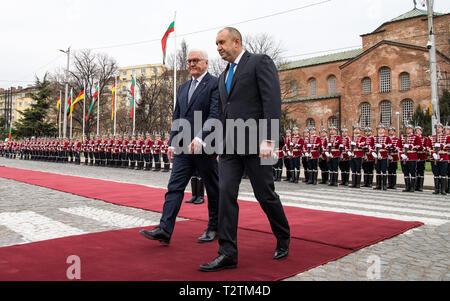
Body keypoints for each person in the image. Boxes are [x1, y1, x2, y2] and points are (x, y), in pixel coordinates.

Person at [199, 27, 290, 272]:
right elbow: (223, 113)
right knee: (225, 193)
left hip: (257, 143)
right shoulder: (222, 76)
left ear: (236, 41)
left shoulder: (259, 62)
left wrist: (270, 139)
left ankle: (283, 235)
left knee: (265, 195)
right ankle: (227, 252)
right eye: (216, 43)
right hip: (230, 147)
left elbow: (272, 100)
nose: (218, 47)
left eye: (221, 42)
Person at [140, 49, 220, 246]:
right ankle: (165, 229)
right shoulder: (183, 87)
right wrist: (172, 143)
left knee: (212, 188)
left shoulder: (215, 84)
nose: (191, 64)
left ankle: (214, 227)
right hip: (183, 147)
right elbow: (177, 116)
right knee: (174, 187)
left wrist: (201, 138)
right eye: (189, 61)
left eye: (195, 60)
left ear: (206, 63)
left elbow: (215, 114)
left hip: (206, 146)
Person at [399, 124, 422, 193]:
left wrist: (411, 146)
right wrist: (401, 154)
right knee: (405, 172)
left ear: (412, 130)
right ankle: (407, 187)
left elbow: (420, 146)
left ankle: (412, 187)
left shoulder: (416, 137)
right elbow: (398, 146)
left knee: (412, 172)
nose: (408, 130)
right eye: (407, 128)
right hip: (404, 156)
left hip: (412, 156)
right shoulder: (402, 137)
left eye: (409, 128)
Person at [428, 123, 449, 195]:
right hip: (434, 157)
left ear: (442, 129)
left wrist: (441, 145)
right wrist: (433, 153)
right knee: (436, 173)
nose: (438, 129)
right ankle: (436, 189)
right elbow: (428, 146)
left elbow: (449, 145)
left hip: (443, 156)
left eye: (439, 127)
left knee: (443, 173)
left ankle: (443, 189)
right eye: (436, 128)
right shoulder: (431, 137)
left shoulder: (446, 137)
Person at [372, 124, 392, 191]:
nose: (380, 130)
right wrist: (373, 152)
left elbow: (390, 145)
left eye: (382, 129)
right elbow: (370, 146)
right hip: (376, 155)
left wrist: (382, 145)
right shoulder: (374, 137)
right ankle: (378, 185)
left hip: (383, 155)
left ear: (384, 130)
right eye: (379, 129)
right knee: (378, 170)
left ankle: (384, 185)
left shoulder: (387, 138)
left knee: (384, 170)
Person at [415, 126, 428, 192]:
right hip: (415, 155)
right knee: (415, 171)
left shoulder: (424, 139)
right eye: (416, 130)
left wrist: (423, 148)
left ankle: (420, 186)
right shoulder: (414, 138)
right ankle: (415, 185)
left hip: (422, 155)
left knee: (421, 171)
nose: (417, 131)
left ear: (421, 132)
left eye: (418, 130)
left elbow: (427, 147)